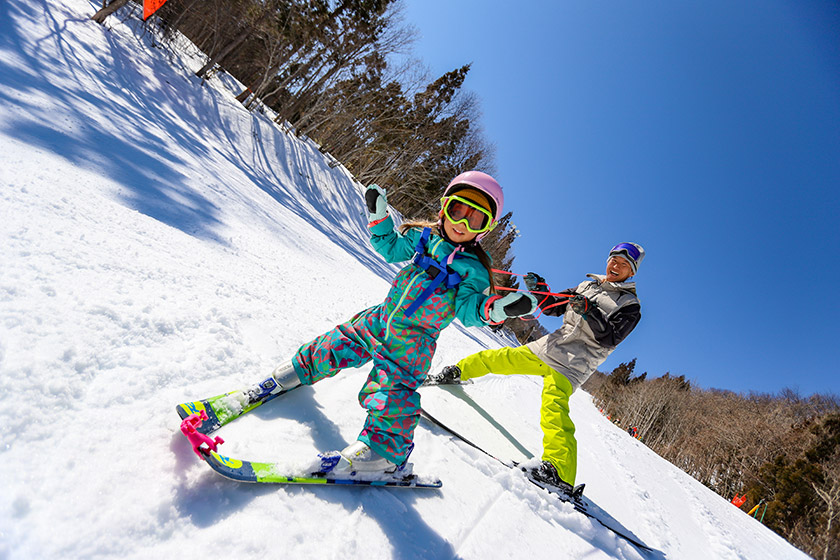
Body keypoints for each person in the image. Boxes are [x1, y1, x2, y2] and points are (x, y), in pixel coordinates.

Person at [205, 171, 537, 476]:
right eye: (457, 210)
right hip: (380, 317)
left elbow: (468, 309)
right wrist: (379, 218)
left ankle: (386, 453)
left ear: (485, 228)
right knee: (334, 343)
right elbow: (390, 247)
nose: (463, 223)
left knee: (391, 390)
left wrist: (495, 310)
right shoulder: (424, 238)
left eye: (476, 218)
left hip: (413, 343)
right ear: (444, 208)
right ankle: (293, 372)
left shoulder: (474, 270)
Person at [428, 242, 644, 494]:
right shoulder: (587, 286)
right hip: (548, 347)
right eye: (613, 260)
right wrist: (540, 289)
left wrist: (589, 311)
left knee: (553, 408)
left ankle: (559, 473)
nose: (615, 266)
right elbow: (552, 307)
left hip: (574, 363)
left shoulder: (630, 305)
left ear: (632, 272)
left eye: (623, 264)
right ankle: (457, 371)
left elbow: (610, 337)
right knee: (499, 357)